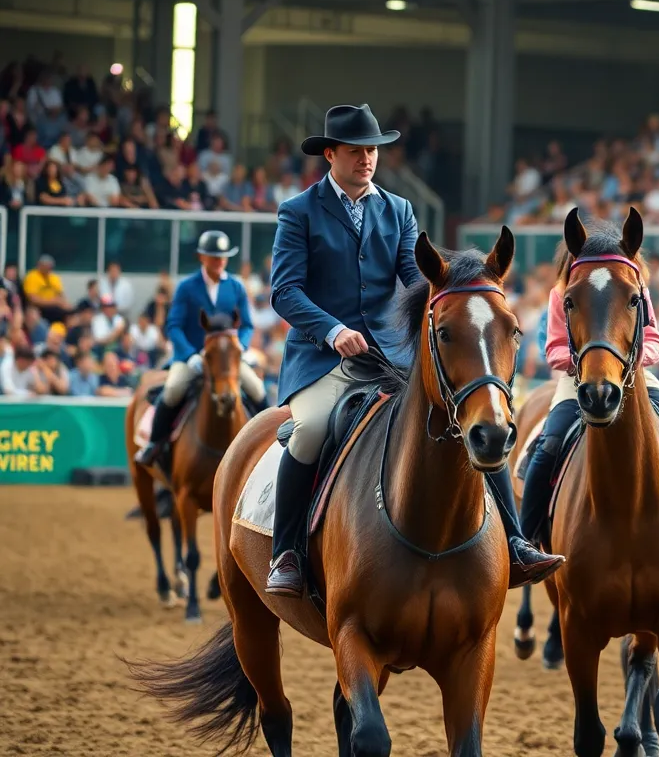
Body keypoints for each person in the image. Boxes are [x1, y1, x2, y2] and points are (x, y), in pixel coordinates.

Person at [266, 103, 563, 598]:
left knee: (469, 416)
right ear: (331, 154)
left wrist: (453, 300)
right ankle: (288, 553)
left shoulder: (398, 210)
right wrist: (333, 330)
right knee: (313, 429)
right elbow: (285, 291)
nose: (367, 160)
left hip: (391, 358)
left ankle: (514, 541)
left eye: (373, 151)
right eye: (357, 151)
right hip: (326, 358)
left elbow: (413, 283)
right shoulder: (299, 212)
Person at [518, 241, 659, 549]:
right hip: (578, 378)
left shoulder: (634, 286)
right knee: (550, 444)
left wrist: (627, 360)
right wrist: (590, 360)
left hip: (631, 375)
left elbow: (652, 338)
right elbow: (555, 348)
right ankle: (526, 542)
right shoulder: (561, 293)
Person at [133, 230, 268, 466]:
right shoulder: (187, 287)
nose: (220, 261)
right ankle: (154, 445)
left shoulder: (235, 286)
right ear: (202, 258)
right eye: (215, 257)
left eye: (224, 257)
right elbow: (174, 326)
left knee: (257, 389)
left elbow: (246, 325)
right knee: (174, 389)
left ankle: (269, 444)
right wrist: (189, 355)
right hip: (191, 357)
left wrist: (240, 348)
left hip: (226, 358)